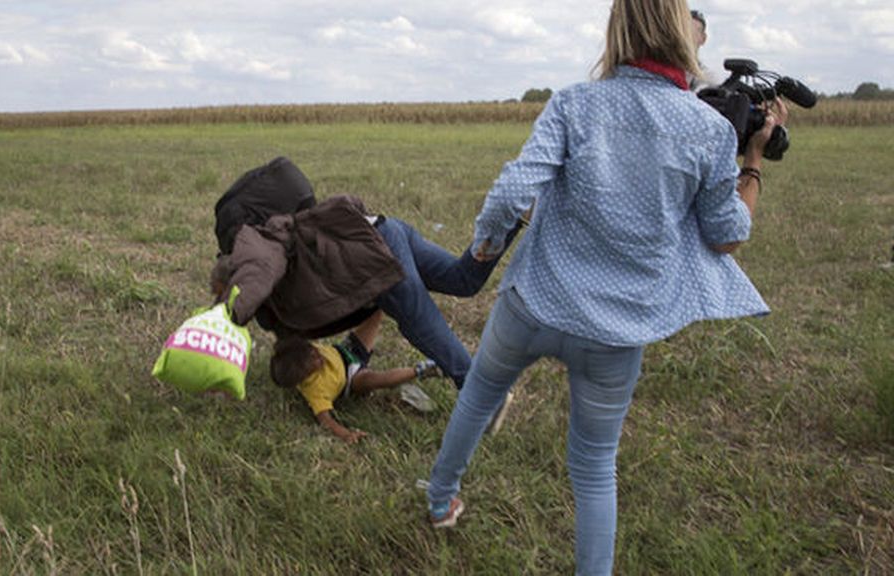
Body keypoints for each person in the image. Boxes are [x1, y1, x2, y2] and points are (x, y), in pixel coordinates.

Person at [425, 0, 788, 574]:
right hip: (617, 331)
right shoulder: (709, 129)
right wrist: (754, 160)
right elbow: (727, 238)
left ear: (617, 31)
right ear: (682, 36)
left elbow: (511, 192)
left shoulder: (574, 102)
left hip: (533, 304)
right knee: (594, 466)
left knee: (479, 396)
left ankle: (440, 499)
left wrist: (484, 248)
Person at [213, 194, 522, 392]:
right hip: (383, 230)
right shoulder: (276, 307)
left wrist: (225, 315)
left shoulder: (258, 257)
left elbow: (257, 277)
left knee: (418, 320)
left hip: (371, 256)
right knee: (462, 280)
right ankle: (510, 216)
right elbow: (291, 340)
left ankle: (481, 392)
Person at [270, 310, 441, 443]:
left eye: (313, 350)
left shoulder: (300, 351)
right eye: (314, 360)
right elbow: (326, 421)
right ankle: (421, 370)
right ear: (304, 375)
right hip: (352, 379)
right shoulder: (315, 391)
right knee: (375, 380)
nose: (317, 354)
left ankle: (383, 297)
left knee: (374, 314)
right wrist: (346, 434)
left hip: (348, 351)